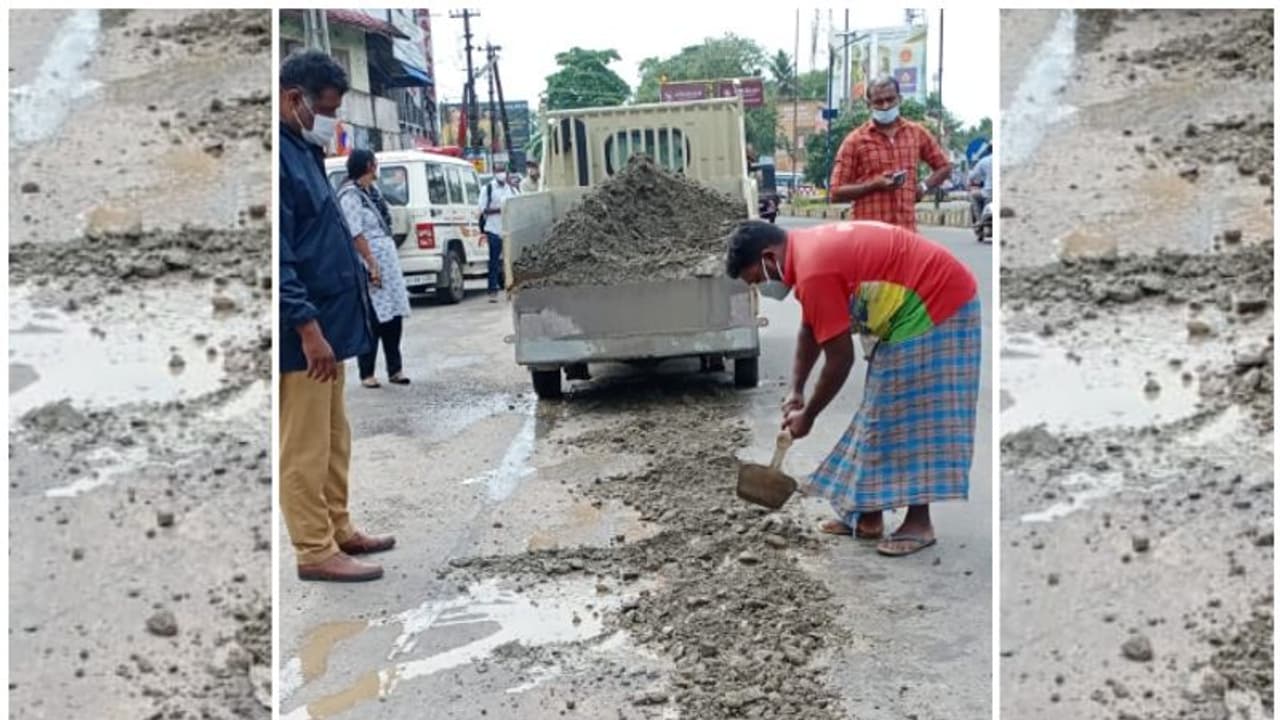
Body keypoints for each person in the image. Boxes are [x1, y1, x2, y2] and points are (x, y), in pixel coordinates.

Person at [725, 219, 981, 557]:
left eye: (757, 279)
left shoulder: (813, 268)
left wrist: (810, 416)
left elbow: (839, 359)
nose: (761, 288)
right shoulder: (805, 258)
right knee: (879, 413)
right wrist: (797, 390)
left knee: (911, 418)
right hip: (910, 309)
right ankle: (867, 513)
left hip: (938, 303)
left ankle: (920, 523)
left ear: (769, 256)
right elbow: (810, 328)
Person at [279, 49, 395, 582]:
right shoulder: (274, 157)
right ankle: (313, 549)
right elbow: (276, 254)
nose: (331, 120)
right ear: (292, 98)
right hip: (301, 337)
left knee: (332, 437)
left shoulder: (302, 150)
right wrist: (305, 326)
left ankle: (339, 528)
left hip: (327, 328)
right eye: (325, 107)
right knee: (304, 446)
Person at [828, 75, 953, 232]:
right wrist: (873, 185)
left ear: (899, 99)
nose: (885, 106)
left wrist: (923, 187)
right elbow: (835, 192)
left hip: (906, 233)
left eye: (890, 99)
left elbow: (944, 166)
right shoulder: (855, 140)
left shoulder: (916, 133)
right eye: (878, 102)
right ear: (869, 104)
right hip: (870, 237)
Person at [337, 149, 412, 389]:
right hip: (369, 261)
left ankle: (395, 369)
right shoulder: (351, 196)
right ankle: (367, 372)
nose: (376, 167)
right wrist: (371, 262)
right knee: (373, 317)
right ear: (369, 165)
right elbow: (355, 232)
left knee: (394, 315)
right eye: (375, 163)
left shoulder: (374, 193)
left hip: (387, 260)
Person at [477, 160, 520, 302]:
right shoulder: (487, 189)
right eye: (498, 170)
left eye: (503, 170)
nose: (501, 173)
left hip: (508, 230)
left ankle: (512, 289)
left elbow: (518, 204)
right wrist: (500, 209)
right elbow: (483, 209)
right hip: (493, 229)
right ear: (495, 173)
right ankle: (492, 291)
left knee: (510, 261)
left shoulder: (512, 189)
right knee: (494, 262)